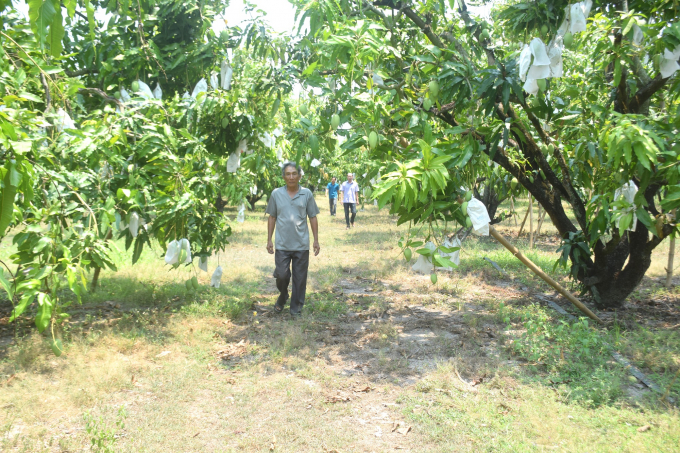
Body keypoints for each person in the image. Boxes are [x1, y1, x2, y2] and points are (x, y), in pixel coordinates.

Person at [266, 162, 320, 317]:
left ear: (300, 176)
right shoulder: (276, 194)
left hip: (301, 244)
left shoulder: (307, 193)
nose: (291, 177)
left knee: (300, 278)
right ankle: (283, 295)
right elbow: (272, 217)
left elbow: (313, 217)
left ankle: (295, 308)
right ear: (283, 177)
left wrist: (316, 240)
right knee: (281, 275)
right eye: (288, 174)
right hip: (282, 244)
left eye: (294, 173)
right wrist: (269, 240)